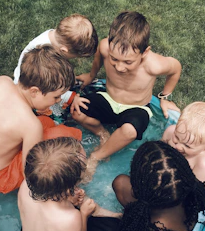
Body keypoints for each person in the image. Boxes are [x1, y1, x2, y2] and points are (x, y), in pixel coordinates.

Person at [72, 11, 182, 179]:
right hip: (109, 99)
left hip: (136, 108)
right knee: (77, 109)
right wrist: (91, 75)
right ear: (109, 43)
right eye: (114, 59)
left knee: (130, 131)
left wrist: (165, 98)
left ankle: (97, 156)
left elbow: (176, 68)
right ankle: (102, 133)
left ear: (144, 52)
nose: (119, 67)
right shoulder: (104, 47)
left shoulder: (154, 65)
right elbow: (98, 58)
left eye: (128, 62)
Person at [0, 45, 81, 194]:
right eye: (56, 96)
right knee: (66, 137)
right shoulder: (30, 125)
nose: (58, 101)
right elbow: (31, 173)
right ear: (34, 91)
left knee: (46, 123)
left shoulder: (1, 81)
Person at [18, 137, 122, 231]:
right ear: (68, 186)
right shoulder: (71, 218)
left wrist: (67, 198)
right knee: (113, 226)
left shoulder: (25, 186)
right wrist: (83, 215)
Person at [13, 14, 98, 115]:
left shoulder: (55, 36)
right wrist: (71, 97)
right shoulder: (43, 60)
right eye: (75, 56)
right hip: (33, 91)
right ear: (63, 50)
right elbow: (49, 85)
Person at [162, 102, 205, 183]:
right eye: (177, 137)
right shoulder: (170, 132)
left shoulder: (204, 164)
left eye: (187, 146)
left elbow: (195, 188)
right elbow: (158, 150)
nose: (178, 146)